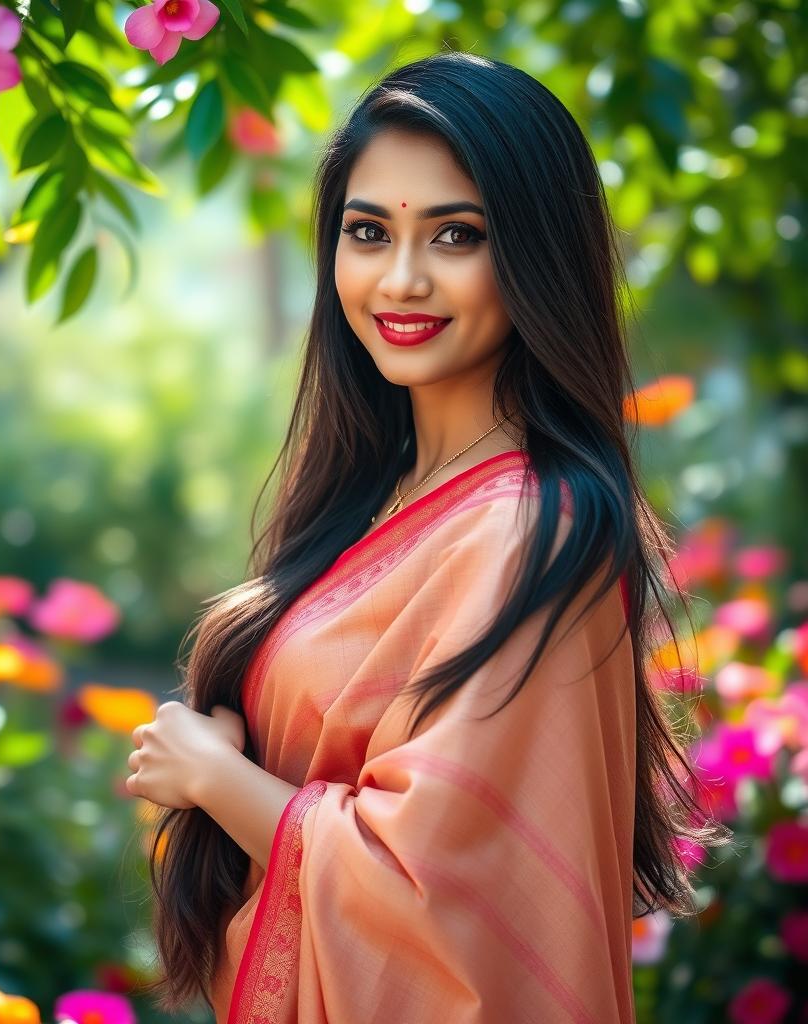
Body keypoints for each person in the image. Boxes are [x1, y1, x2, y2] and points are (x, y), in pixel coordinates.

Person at [121, 50, 729, 1023]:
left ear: (533, 254)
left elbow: (445, 907)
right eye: (368, 232)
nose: (400, 279)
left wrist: (215, 776)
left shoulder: (538, 529)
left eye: (456, 235)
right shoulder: (374, 496)